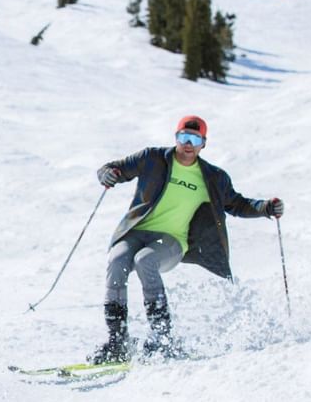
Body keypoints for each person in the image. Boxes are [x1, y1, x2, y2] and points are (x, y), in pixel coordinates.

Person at [88, 116, 284, 363]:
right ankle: (117, 342)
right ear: (176, 138)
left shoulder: (213, 177)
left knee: (145, 261)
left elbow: (237, 204)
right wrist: (109, 174)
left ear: (204, 144)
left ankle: (163, 339)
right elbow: (113, 168)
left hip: (172, 240)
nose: (188, 144)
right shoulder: (152, 158)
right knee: (117, 261)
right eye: (184, 137)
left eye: (195, 139)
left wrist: (265, 207)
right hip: (136, 232)